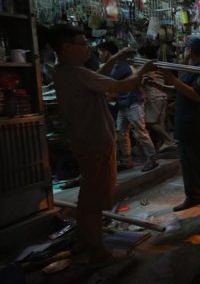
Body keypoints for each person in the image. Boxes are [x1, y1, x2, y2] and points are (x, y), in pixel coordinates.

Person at [50, 24, 155, 266]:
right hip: (94, 142)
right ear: (66, 47)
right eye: (82, 43)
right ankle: (98, 253)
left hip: (88, 141)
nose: (88, 47)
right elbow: (120, 86)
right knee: (92, 202)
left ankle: (90, 243)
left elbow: (98, 78)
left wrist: (115, 58)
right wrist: (143, 70)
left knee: (90, 199)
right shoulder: (75, 73)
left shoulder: (65, 72)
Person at [146, 38, 200, 225]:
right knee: (187, 165)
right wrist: (158, 86)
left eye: (185, 49)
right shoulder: (189, 69)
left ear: (191, 50)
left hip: (194, 126)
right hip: (183, 126)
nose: (183, 51)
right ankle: (193, 196)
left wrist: (172, 78)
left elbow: (196, 95)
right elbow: (179, 90)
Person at [97, 41, 158, 172]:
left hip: (132, 102)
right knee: (121, 132)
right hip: (123, 104)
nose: (99, 55)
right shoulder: (115, 66)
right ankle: (127, 160)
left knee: (140, 132)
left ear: (107, 52)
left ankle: (152, 159)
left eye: (101, 52)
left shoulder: (122, 66)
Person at [138, 44, 175, 152]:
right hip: (162, 95)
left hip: (153, 96)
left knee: (150, 122)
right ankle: (161, 145)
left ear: (144, 55)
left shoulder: (146, 66)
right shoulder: (159, 65)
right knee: (160, 122)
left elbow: (141, 81)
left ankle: (168, 140)